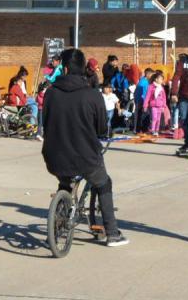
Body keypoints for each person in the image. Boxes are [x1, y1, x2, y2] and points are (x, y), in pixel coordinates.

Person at [41, 47, 127, 247]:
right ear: (83, 68)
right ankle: (112, 233)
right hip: (85, 157)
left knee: (65, 183)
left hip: (54, 157)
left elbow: (45, 123)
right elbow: (101, 128)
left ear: (63, 68)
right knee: (103, 183)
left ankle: (56, 229)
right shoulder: (92, 95)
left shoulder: (51, 93)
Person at [146, 71, 169, 136]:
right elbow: (147, 96)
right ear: (156, 79)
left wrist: (164, 105)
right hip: (153, 105)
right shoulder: (151, 86)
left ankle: (156, 130)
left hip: (160, 106)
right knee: (154, 118)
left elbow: (164, 97)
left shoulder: (161, 88)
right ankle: (152, 130)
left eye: (162, 79)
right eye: (161, 79)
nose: (162, 81)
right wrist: (145, 105)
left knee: (158, 119)